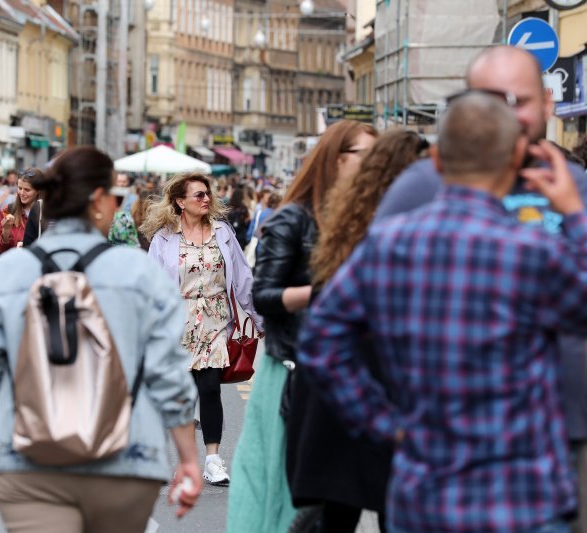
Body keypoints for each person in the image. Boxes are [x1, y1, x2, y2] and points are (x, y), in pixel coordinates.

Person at [300, 92, 587, 532]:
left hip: (424, 490)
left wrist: (383, 422)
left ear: (435, 160)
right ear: (515, 158)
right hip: (521, 495)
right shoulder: (533, 251)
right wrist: (574, 215)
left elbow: (320, 341)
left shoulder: (389, 245)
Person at [375, 45, 587, 532]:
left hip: (566, 433)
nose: (506, 113)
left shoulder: (575, 184)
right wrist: (388, 417)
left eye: (520, 100)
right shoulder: (421, 185)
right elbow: (357, 307)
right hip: (445, 441)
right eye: (492, 98)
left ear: (549, 105)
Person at [0, 146, 202, 532]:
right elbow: (167, 373)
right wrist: (189, 459)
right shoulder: (138, 273)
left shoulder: (8, 273)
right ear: (100, 201)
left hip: (25, 461)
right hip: (125, 460)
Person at [226, 120, 376, 532]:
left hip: (353, 374)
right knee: (284, 492)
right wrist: (322, 292)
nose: (375, 166)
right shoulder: (293, 218)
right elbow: (265, 296)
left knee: (341, 498)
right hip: (295, 370)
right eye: (368, 155)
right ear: (339, 159)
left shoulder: (367, 220)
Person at [288, 129, 427, 533]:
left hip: (341, 392)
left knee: (339, 513)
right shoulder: (403, 223)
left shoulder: (349, 216)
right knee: (392, 510)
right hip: (379, 382)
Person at [142, 173, 264, 487]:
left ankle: (212, 459)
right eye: (198, 195)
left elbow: (243, 278)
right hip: (176, 322)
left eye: (207, 194)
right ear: (180, 202)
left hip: (214, 321)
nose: (206, 199)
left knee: (209, 389)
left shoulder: (223, 232)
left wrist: (259, 318)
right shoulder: (164, 238)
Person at [0, 168, 41, 251]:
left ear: (38, 190)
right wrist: (6, 232)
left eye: (27, 190)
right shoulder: (7, 210)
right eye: (20, 188)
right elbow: (0, 250)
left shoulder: (48, 212)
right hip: (15, 262)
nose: (22, 193)